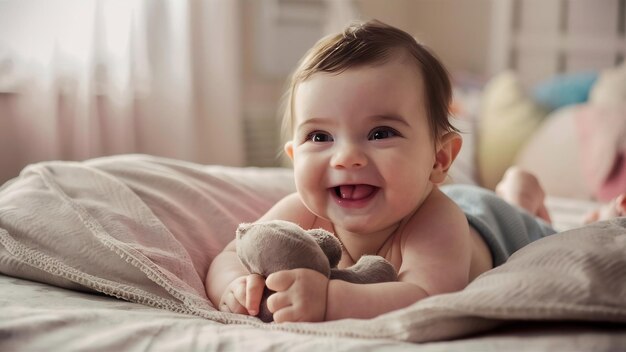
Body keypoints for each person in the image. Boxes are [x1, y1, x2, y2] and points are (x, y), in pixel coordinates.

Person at [206, 19, 625, 323]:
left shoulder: (435, 223)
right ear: (295, 157)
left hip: (488, 222)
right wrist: (234, 286)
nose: (346, 157)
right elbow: (231, 254)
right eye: (320, 137)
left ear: (439, 160)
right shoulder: (301, 210)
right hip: (459, 202)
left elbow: (425, 296)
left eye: (380, 132)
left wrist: (330, 299)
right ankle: (519, 189)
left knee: (537, 228)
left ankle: (532, 202)